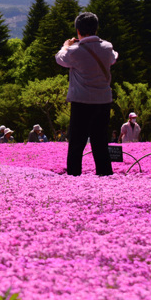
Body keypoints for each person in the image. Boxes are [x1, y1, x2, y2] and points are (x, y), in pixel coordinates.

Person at [56, 11, 117, 176]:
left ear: (78, 30)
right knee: (100, 142)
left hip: (81, 101)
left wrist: (66, 45)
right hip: (103, 101)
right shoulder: (107, 47)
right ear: (96, 29)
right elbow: (113, 58)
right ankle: (105, 175)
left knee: (77, 143)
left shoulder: (75, 50)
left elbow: (60, 59)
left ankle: (74, 177)